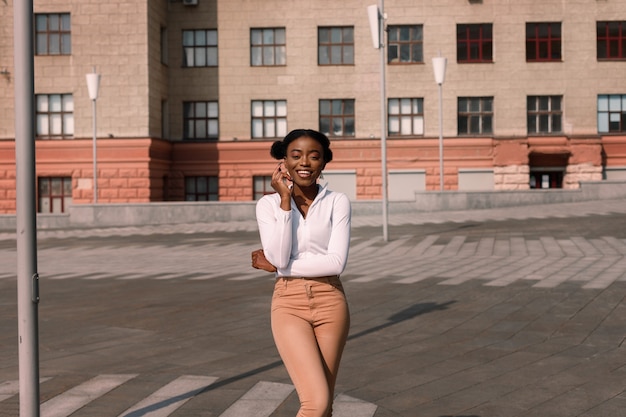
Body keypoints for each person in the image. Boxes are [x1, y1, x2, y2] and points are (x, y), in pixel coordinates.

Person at [251, 128, 351, 417]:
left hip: (332, 301)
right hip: (289, 304)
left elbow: (335, 263)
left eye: (313, 156)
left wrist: (279, 266)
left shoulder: (337, 202)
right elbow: (281, 255)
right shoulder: (268, 205)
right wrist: (284, 201)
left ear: (324, 162)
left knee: (325, 405)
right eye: (296, 155)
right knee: (315, 403)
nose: (304, 162)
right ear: (284, 160)